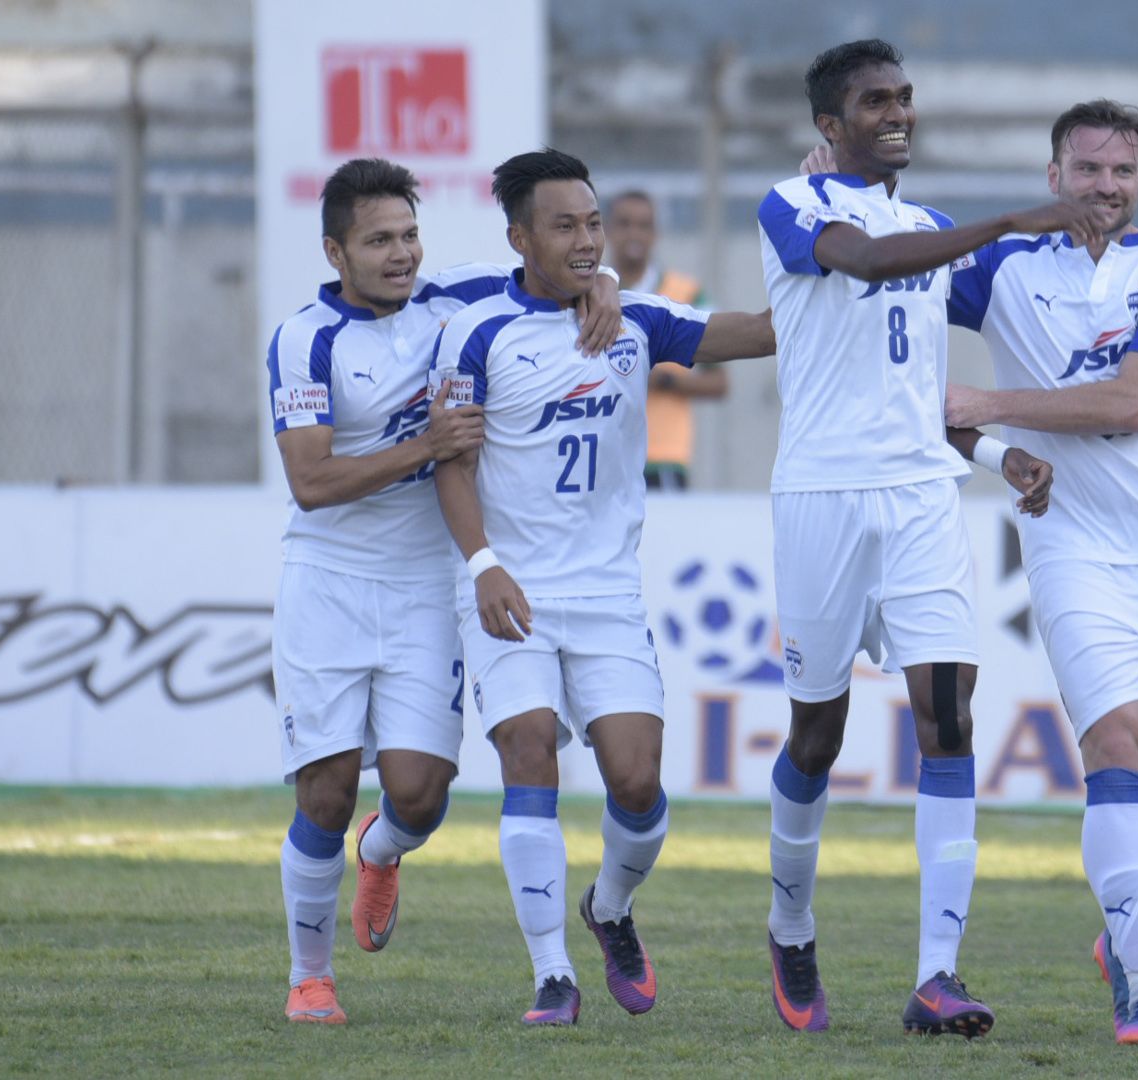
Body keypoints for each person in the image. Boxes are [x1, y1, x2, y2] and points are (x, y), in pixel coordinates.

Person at [754, 38, 1102, 1039]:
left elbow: (911, 392)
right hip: (822, 498)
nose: (897, 112)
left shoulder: (932, 226)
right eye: (874, 101)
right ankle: (790, 923)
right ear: (831, 123)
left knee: (947, 716)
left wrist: (996, 456)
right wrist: (1010, 220)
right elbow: (862, 263)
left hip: (919, 499)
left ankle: (937, 977)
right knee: (817, 735)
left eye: (904, 96)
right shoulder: (796, 206)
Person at [266, 157, 621, 1025]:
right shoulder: (303, 339)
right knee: (324, 789)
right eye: (379, 240)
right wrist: (423, 447)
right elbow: (311, 482)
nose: (401, 255)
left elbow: (546, 271)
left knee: (420, 795)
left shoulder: (451, 301)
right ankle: (310, 977)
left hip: (428, 584)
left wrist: (602, 278)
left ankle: (381, 855)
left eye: (410, 236)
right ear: (334, 251)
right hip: (329, 582)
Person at [430, 149, 776, 1027]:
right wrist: (482, 565)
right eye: (566, 226)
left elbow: (747, 333)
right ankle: (552, 977)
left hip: (606, 594)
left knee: (636, 782)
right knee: (529, 750)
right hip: (510, 590)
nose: (587, 241)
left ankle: (610, 908)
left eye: (594, 224)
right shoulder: (474, 331)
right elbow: (452, 465)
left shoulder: (637, 319)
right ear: (519, 237)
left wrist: (833, 284)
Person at [939, 99, 1138, 1049]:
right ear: (1053, 174)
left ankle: (1129, 936)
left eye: (1123, 171)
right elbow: (875, 294)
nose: (1105, 187)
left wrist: (985, 402)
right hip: (1072, 547)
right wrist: (839, 189)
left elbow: (1134, 402)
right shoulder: (1000, 266)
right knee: (1115, 748)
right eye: (1088, 168)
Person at [604, 190, 731, 490]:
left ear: (656, 234)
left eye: (644, 225)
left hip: (661, 457)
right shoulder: (588, 292)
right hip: (601, 451)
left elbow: (719, 382)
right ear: (606, 229)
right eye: (624, 223)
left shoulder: (687, 294)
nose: (634, 233)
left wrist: (664, 381)